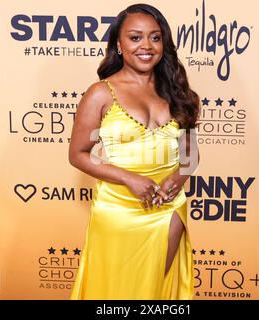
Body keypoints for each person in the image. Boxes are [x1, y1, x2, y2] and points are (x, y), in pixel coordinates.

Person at [68, 3, 200, 300]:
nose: (146, 46)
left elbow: (191, 154)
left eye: (155, 37)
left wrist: (179, 177)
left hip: (168, 210)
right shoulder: (100, 93)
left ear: (164, 43)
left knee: (153, 293)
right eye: (135, 37)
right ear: (119, 43)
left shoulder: (179, 92)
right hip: (117, 211)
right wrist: (129, 178)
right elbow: (78, 154)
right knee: (115, 294)